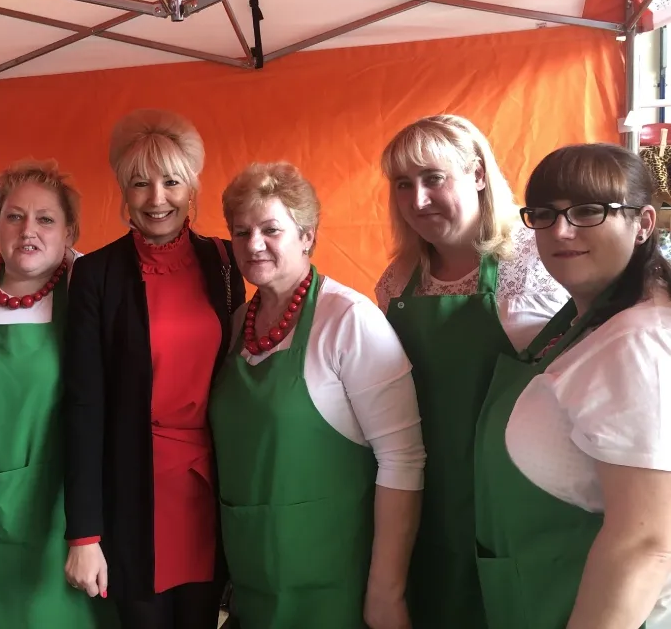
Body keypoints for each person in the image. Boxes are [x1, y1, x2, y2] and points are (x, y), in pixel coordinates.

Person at [209, 161, 425, 629]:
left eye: (271, 229)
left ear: (307, 236)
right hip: (253, 577)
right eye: (241, 232)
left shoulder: (349, 320)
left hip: (333, 580)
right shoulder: (236, 325)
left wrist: (386, 592)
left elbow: (403, 461)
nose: (254, 244)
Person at [375, 114, 567, 629]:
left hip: (510, 497)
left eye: (433, 178)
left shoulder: (535, 265)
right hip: (426, 493)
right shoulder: (396, 281)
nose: (418, 200)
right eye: (403, 184)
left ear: (478, 174)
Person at [475, 143, 671, 629]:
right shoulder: (587, 319)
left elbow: (646, 545)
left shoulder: (638, 342)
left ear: (643, 223)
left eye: (588, 211)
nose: (561, 230)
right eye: (544, 214)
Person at [63, 109, 246, 629]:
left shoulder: (225, 261)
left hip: (211, 486)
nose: (156, 198)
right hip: (133, 488)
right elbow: (83, 405)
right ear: (124, 190)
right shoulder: (96, 274)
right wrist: (84, 534)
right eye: (140, 183)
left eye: (171, 182)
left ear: (192, 187)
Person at [0, 160, 115, 628]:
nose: (28, 231)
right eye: (14, 216)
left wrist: (88, 534)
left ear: (69, 232)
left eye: (46, 219)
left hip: (63, 511)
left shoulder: (89, 284)